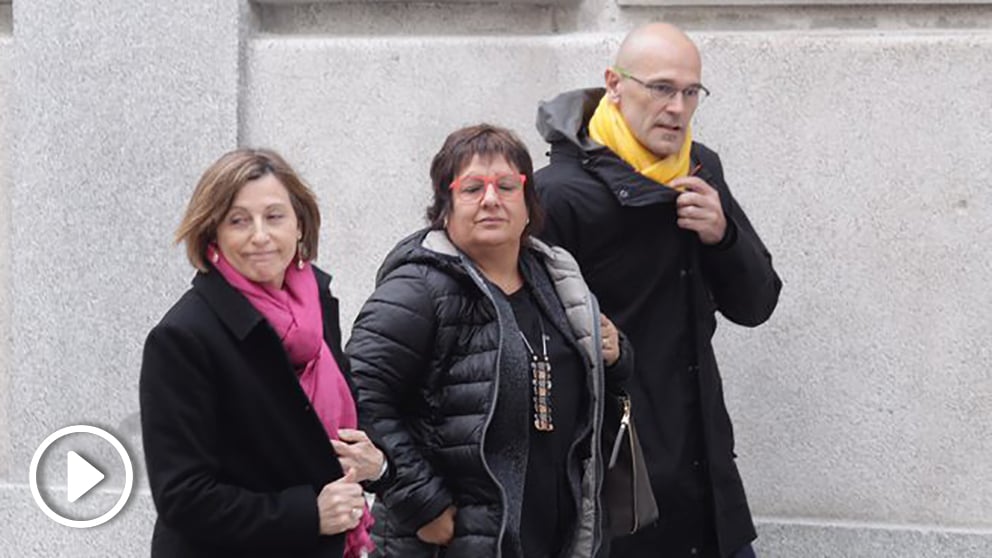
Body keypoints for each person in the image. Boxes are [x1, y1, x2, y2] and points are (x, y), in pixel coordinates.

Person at [533, 23, 782, 558]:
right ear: (614, 85)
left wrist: (723, 236)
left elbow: (757, 303)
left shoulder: (700, 169)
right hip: (619, 487)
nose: (678, 107)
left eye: (691, 92)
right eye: (662, 88)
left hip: (708, 480)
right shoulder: (558, 194)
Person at [346, 124, 632, 558]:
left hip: (552, 537)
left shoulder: (556, 280)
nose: (491, 199)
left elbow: (587, 390)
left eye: (506, 186)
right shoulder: (417, 290)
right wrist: (422, 504)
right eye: (472, 188)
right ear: (445, 206)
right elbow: (357, 396)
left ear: (528, 200)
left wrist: (617, 357)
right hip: (452, 544)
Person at [140, 148, 386, 558]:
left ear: (300, 225)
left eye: (274, 217)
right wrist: (307, 514)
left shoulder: (316, 309)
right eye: (238, 221)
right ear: (212, 234)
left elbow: (342, 418)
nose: (260, 235)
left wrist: (374, 462)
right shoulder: (183, 337)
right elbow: (182, 496)